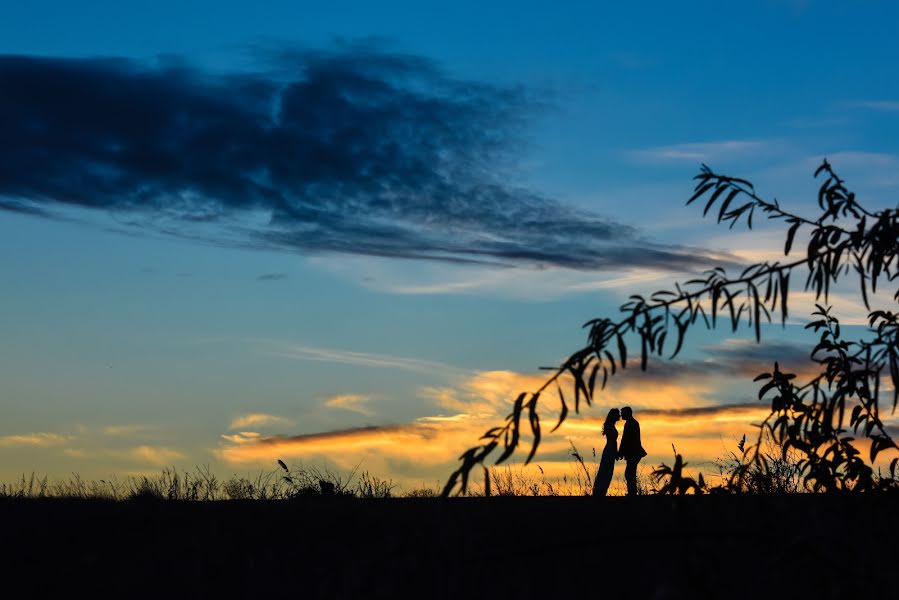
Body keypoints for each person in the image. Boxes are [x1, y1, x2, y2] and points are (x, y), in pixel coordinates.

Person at [617, 406, 647, 496]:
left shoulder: (631, 423)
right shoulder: (631, 423)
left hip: (633, 452)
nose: (621, 415)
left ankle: (632, 492)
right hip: (633, 452)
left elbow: (626, 439)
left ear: (628, 413)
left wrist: (621, 452)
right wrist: (622, 452)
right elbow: (625, 440)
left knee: (629, 473)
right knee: (630, 472)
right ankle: (632, 492)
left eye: (623, 413)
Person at [593, 408, 621, 497]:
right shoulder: (608, 425)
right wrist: (615, 452)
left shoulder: (611, 425)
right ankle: (599, 492)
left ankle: (601, 491)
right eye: (617, 414)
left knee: (608, 471)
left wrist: (616, 452)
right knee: (606, 470)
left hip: (611, 449)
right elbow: (613, 440)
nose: (619, 416)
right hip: (609, 449)